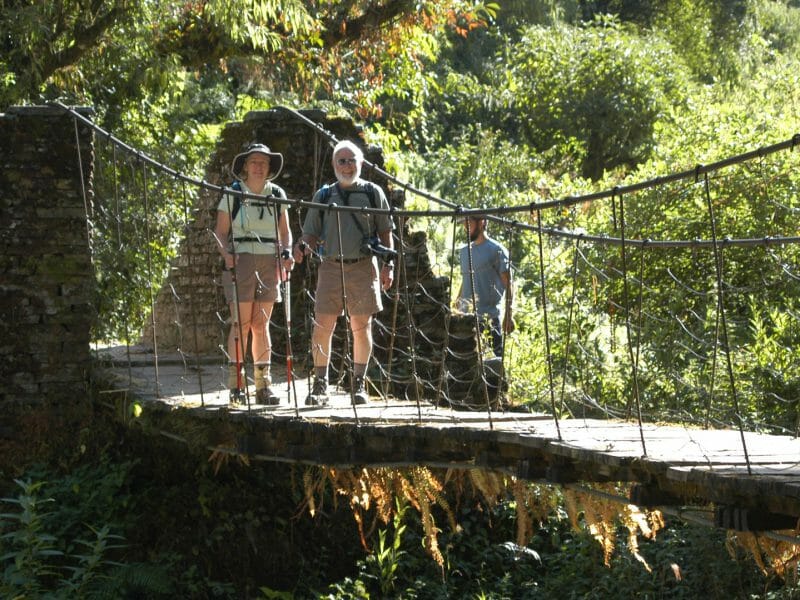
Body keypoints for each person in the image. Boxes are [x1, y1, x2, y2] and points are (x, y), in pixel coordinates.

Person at [292, 140, 395, 406]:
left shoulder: (374, 193)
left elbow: (386, 232)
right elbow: (310, 233)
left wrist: (389, 264)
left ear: (360, 163)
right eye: (341, 160)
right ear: (333, 164)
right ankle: (320, 385)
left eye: (351, 160)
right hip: (330, 267)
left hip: (363, 266)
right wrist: (303, 246)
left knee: (361, 327)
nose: (347, 166)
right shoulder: (324, 195)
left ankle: (358, 384)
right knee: (322, 326)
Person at [214, 143, 294, 405]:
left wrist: (287, 253)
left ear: (269, 167)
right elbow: (220, 231)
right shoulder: (233, 194)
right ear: (245, 166)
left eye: (264, 162)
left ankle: (263, 386)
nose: (259, 166)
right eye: (254, 162)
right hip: (242, 259)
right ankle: (237, 386)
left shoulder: (277, 194)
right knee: (241, 323)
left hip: (269, 261)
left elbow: (285, 232)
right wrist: (227, 255)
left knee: (261, 324)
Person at [457, 216, 514, 356]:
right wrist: (456, 304)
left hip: (489, 319)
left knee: (494, 366)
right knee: (464, 365)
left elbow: (509, 283)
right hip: (466, 318)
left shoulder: (497, 250)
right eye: (464, 224)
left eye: (469, 223)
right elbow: (466, 279)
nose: (466, 227)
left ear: (481, 223)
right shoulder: (464, 252)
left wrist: (509, 314)